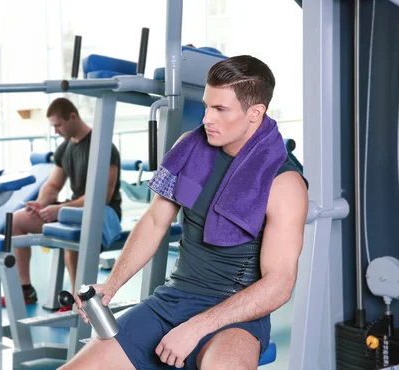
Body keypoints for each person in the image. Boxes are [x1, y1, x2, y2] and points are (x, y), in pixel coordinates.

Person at [61, 55, 309, 370]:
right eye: (207, 106)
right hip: (172, 299)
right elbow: (154, 221)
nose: (207, 119)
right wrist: (111, 285)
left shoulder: (283, 184)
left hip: (236, 317)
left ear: (255, 113)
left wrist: (196, 327)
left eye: (220, 109)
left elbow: (279, 283)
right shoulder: (191, 150)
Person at [5, 97, 122, 311]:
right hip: (73, 209)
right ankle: (25, 289)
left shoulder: (103, 147)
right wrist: (41, 203)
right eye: (54, 126)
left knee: (70, 232)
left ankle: (82, 301)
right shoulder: (65, 148)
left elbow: (102, 197)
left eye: (58, 125)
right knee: (16, 221)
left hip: (104, 212)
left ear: (73, 117)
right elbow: (53, 184)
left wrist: (59, 209)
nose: (56, 131)